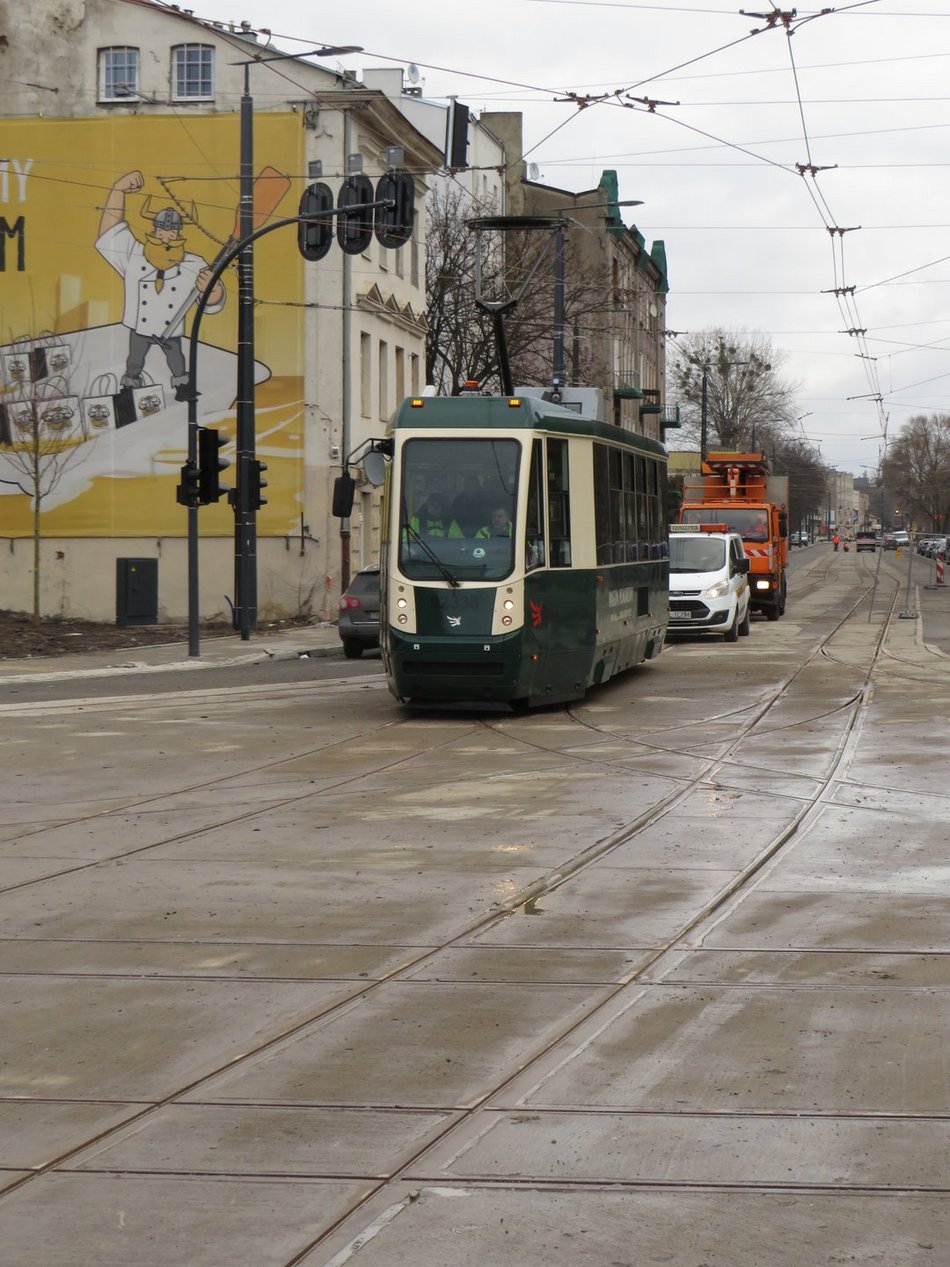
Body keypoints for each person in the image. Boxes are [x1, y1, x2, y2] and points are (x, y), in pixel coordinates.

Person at [96, 170, 226, 402]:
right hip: (140, 327)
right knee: (134, 359)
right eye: (162, 230)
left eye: (172, 231)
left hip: (171, 328)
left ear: (179, 233)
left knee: (176, 359)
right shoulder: (133, 254)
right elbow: (109, 232)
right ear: (154, 229)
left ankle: (183, 388)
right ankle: (129, 388)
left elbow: (211, 301)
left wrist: (214, 292)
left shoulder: (194, 263)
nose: (166, 236)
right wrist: (117, 190)